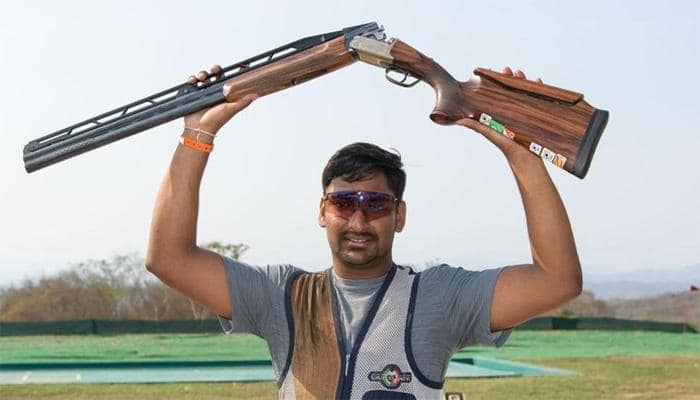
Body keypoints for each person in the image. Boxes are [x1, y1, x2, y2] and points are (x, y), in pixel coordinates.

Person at [146, 65, 582, 399]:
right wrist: (197, 133)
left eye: (375, 204)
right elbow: (168, 258)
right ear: (323, 211)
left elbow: (556, 281)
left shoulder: (439, 296)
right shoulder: (281, 294)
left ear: (400, 216)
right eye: (343, 202)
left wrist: (523, 156)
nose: (358, 220)